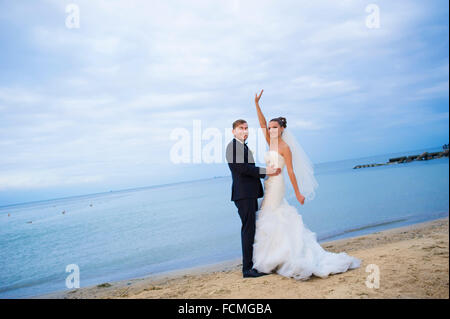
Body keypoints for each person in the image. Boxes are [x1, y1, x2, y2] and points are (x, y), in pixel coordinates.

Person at [252, 89, 361, 280]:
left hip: (278, 185)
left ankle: (280, 256)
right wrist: (257, 104)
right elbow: (261, 123)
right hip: (269, 184)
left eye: (274, 127)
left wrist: (299, 193)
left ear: (282, 129)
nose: (270, 130)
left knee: (272, 214)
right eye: (270, 128)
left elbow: (292, 172)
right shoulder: (270, 142)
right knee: (269, 216)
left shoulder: (285, 148)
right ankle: (276, 256)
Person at [226, 119, 281, 278]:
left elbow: (247, 168)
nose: (245, 131)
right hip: (243, 195)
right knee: (248, 230)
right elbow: (243, 169)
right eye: (241, 128)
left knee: (251, 229)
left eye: (246, 128)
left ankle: (253, 264)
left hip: (248, 193)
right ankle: (247, 269)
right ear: (233, 131)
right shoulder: (232, 147)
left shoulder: (241, 146)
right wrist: (266, 171)